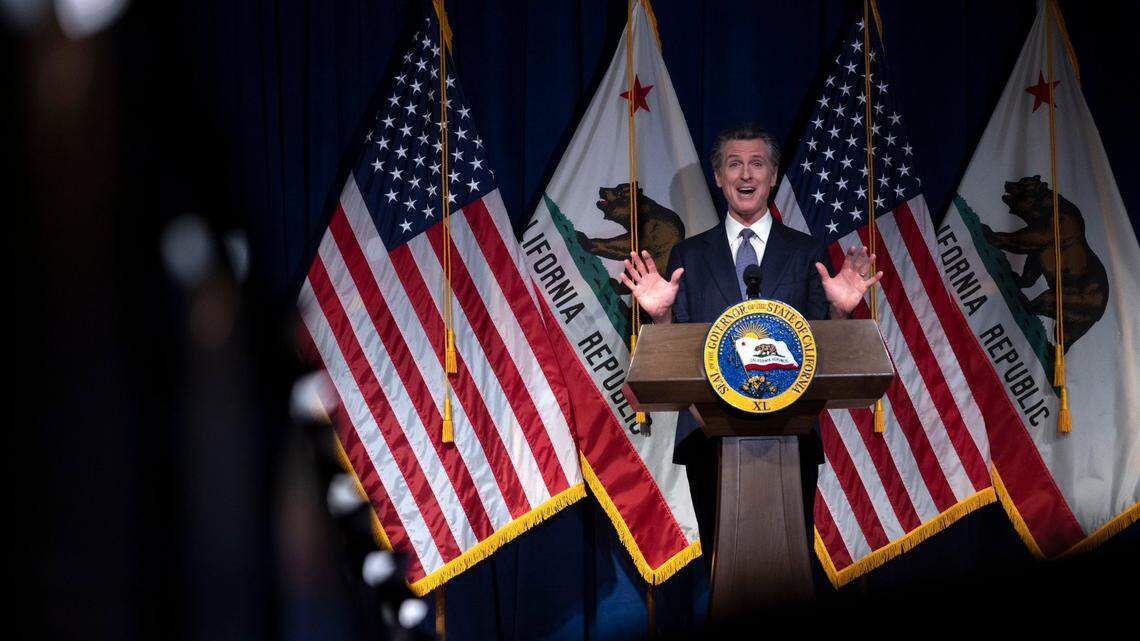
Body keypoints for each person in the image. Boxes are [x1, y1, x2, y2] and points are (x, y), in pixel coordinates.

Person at [618, 123, 881, 579]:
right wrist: (659, 319)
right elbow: (675, 352)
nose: (746, 174)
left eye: (757, 163)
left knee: (786, 574)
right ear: (719, 178)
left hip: (790, 434)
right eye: (733, 164)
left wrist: (840, 313)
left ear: (773, 175)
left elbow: (823, 351)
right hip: (707, 437)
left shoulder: (806, 252)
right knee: (722, 572)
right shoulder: (689, 256)